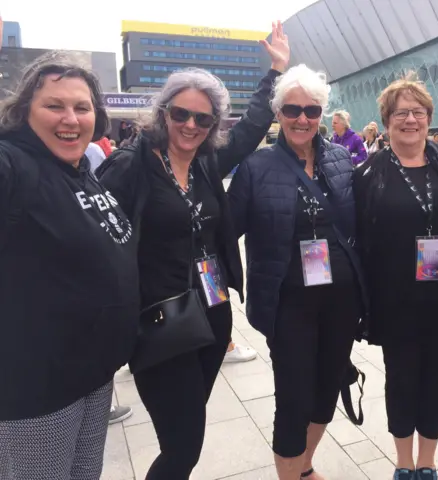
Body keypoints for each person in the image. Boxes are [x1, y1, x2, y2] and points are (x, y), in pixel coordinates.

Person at [97, 21, 289, 479]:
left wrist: (276, 70)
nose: (190, 125)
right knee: (184, 445)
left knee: (185, 434)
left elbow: (253, 127)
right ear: (163, 113)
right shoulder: (130, 168)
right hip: (160, 323)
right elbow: (94, 243)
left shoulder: (205, 161)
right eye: (181, 114)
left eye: (203, 119)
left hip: (211, 315)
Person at [0, 53, 138, 479]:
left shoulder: (78, 169)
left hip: (93, 375)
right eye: (54, 105)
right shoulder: (16, 165)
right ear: (25, 112)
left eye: (82, 107)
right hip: (39, 391)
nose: (71, 118)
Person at [227, 64, 364, 480]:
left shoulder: (340, 159)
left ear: (322, 113)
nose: (302, 118)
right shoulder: (256, 167)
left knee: (327, 390)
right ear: (278, 113)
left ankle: (303, 468)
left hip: (340, 301)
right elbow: (225, 231)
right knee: (293, 399)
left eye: (311, 110)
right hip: (288, 304)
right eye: (292, 109)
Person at [354, 74, 438, 480]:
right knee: (401, 380)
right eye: (401, 113)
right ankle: (404, 463)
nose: (410, 120)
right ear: (386, 121)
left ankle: (428, 462)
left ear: (429, 119)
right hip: (395, 299)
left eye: (418, 112)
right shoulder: (369, 174)